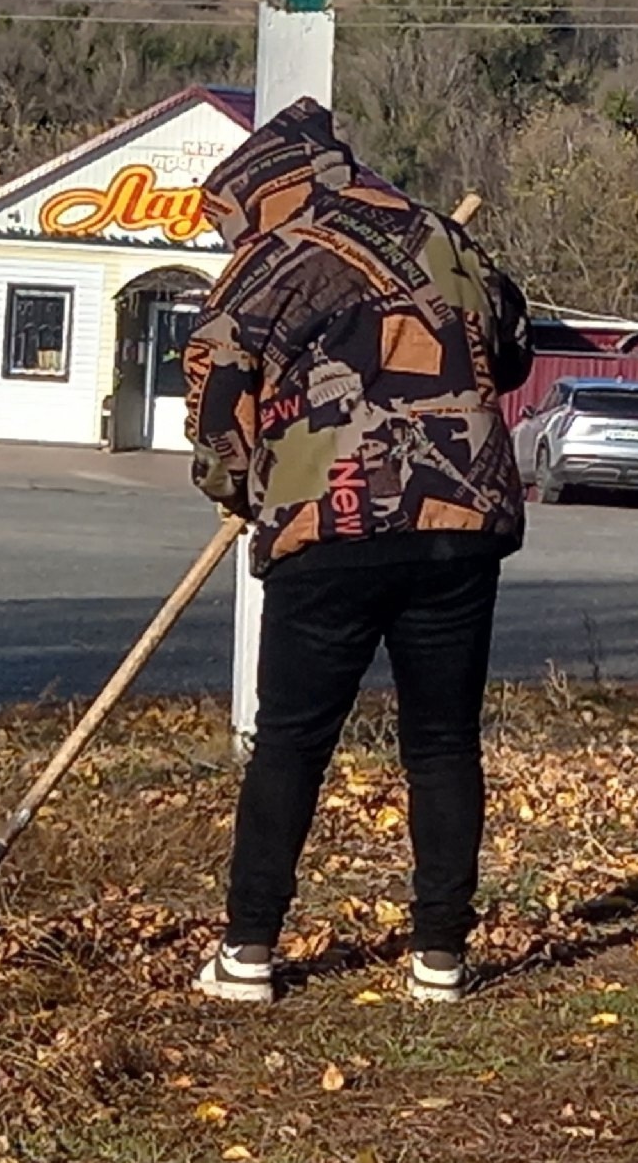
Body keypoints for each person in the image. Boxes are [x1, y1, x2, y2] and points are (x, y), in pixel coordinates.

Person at [182, 100, 533, 1006]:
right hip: (462, 514)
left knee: (292, 741)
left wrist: (236, 486)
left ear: (263, 192)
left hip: (330, 520)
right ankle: (441, 961)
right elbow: (516, 347)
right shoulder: (441, 239)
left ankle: (249, 953)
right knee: (443, 741)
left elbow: (219, 395)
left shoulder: (272, 260)